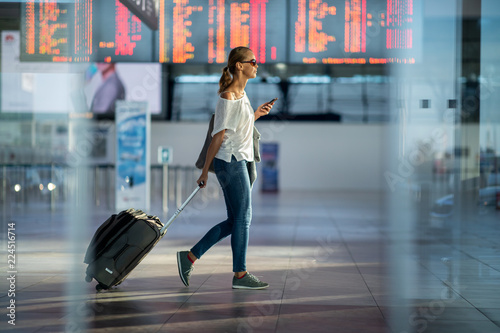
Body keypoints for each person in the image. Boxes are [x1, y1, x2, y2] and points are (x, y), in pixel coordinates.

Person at [177, 46, 274, 290]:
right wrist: (204, 172)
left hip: (237, 158)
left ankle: (189, 257)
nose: (257, 65)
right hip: (230, 161)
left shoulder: (241, 94)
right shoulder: (228, 97)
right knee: (244, 218)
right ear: (240, 65)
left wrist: (255, 115)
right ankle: (240, 275)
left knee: (236, 220)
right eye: (253, 61)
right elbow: (217, 137)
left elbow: (236, 128)